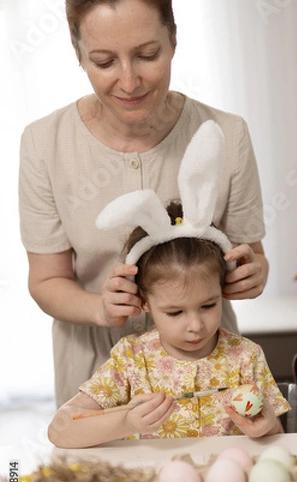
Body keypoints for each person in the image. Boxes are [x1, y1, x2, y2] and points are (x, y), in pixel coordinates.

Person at [19, 0, 269, 408]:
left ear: (173, 39)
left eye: (147, 55)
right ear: (78, 55)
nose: (129, 81)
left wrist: (252, 275)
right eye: (104, 62)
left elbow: (252, 257)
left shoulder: (225, 134)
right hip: (96, 374)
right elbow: (46, 281)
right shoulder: (43, 144)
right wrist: (101, 308)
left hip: (207, 368)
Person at [48, 194, 289, 448]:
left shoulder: (245, 356)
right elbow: (59, 430)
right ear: (144, 302)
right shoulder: (131, 360)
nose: (196, 325)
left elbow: (280, 440)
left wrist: (268, 426)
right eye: (175, 313)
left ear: (223, 291)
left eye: (208, 305)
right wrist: (127, 422)